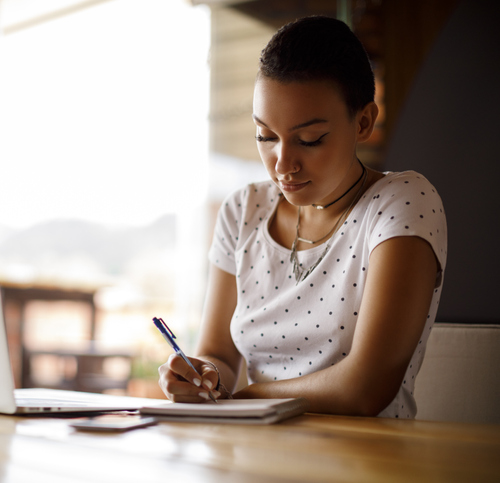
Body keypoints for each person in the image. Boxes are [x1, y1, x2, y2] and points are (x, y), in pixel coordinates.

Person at [158, 16, 447, 418]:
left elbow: (366, 388)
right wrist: (203, 377)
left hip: (366, 465)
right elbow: (219, 355)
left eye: (309, 140)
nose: (282, 165)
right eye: (265, 136)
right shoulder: (243, 210)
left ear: (363, 121)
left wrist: (241, 401)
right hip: (254, 459)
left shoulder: (400, 202)